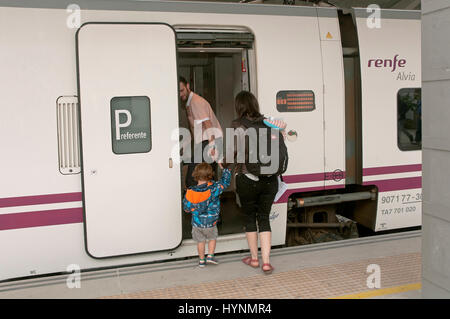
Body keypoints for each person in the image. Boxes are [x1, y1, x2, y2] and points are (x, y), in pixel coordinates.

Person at [229, 91, 286, 275]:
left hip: (247, 179)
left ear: (239, 107)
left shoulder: (237, 125)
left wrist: (221, 163)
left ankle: (254, 259)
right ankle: (267, 262)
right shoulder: (269, 123)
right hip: (270, 180)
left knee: (249, 218)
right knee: (264, 217)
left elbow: (232, 154)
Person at [182, 162, 231, 267]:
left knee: (200, 242)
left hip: (197, 224)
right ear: (210, 175)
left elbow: (186, 208)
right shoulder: (214, 188)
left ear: (195, 175)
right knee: (212, 238)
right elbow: (225, 182)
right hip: (211, 223)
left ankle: (201, 260)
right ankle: (210, 256)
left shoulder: (190, 191)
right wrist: (224, 169)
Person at [179, 76, 223, 188]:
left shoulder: (196, 102)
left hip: (209, 141)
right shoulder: (189, 103)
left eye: (182, 90)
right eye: (178, 92)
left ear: (188, 86)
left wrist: (212, 147)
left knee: (193, 179)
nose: (180, 94)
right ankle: (207, 203)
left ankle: (197, 204)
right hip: (204, 142)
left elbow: (207, 124)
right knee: (205, 178)